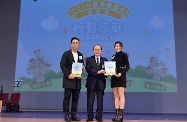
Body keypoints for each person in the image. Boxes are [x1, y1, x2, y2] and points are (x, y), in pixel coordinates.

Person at [60, 37, 84, 122]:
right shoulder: (66, 54)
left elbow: (81, 64)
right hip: (69, 79)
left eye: (76, 43)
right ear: (71, 44)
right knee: (67, 97)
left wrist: (82, 67)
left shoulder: (80, 55)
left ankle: (74, 115)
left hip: (77, 80)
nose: (75, 44)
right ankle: (66, 115)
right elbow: (62, 65)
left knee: (76, 98)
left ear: (79, 45)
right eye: (73, 43)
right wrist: (68, 74)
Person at [85, 44, 108, 122]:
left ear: (101, 51)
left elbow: (107, 71)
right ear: (93, 51)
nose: (97, 51)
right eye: (95, 50)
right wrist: (98, 72)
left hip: (101, 83)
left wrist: (107, 73)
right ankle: (90, 116)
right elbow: (88, 69)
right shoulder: (89, 59)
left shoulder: (105, 60)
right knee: (90, 101)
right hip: (91, 83)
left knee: (100, 101)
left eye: (98, 50)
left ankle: (99, 117)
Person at [111, 41, 130, 122]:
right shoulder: (113, 56)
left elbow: (128, 67)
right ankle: (117, 115)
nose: (117, 47)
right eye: (116, 46)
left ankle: (121, 114)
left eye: (119, 46)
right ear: (114, 47)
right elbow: (111, 67)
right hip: (114, 76)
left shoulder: (124, 55)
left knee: (121, 94)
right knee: (115, 96)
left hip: (121, 76)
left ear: (121, 47)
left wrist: (121, 73)